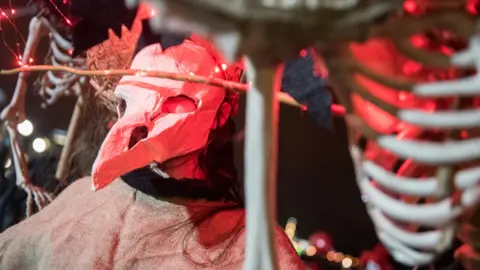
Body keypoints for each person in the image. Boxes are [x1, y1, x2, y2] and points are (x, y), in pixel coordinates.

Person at [0, 34, 304, 269]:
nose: (137, 125)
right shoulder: (82, 197)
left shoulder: (252, 245)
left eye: (176, 101)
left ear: (221, 113)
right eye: (129, 101)